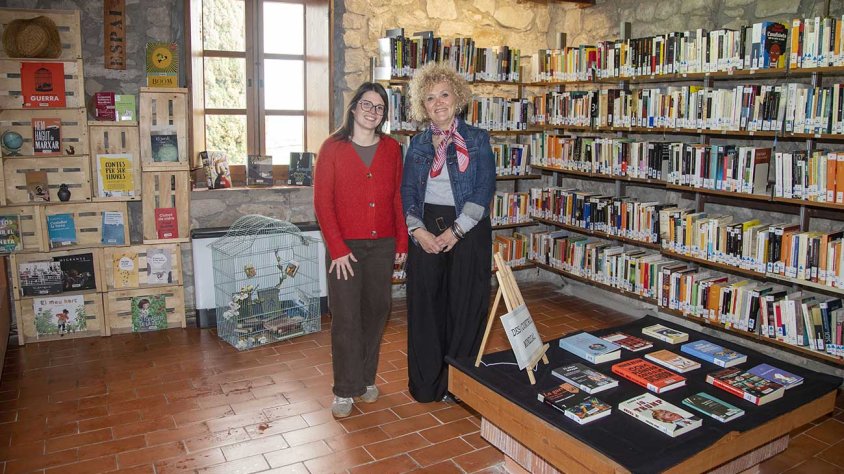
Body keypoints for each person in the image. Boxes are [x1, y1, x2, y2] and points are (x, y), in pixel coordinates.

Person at [401, 62, 496, 403]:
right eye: (429, 98)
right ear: (421, 106)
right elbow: (408, 192)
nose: (438, 103)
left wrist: (457, 231)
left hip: (468, 229)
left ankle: (459, 385)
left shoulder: (477, 139)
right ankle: (428, 385)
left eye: (444, 94)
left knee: (466, 306)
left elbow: (484, 189)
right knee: (426, 306)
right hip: (426, 229)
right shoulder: (417, 145)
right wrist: (418, 231)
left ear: (458, 97)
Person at [314, 82, 408, 418]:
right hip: (345, 249)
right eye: (366, 104)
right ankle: (345, 389)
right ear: (354, 108)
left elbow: (397, 197)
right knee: (346, 319)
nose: (372, 111)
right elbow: (322, 203)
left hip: (382, 246)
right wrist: (337, 248)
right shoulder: (332, 148)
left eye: (379, 107)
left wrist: (401, 241)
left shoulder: (392, 149)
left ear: (384, 115)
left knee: (376, 313)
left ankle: (366, 378)